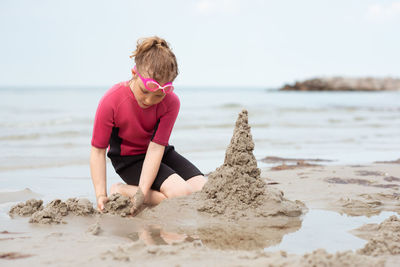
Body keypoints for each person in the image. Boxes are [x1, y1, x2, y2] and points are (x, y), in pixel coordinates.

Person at [90, 36, 206, 213]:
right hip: (128, 160)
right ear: (134, 73)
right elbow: (98, 151)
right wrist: (100, 195)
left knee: (204, 190)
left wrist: (142, 193)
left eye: (159, 95)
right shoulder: (112, 100)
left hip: (159, 152)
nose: (150, 100)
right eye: (145, 91)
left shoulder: (172, 102)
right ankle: (120, 189)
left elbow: (156, 148)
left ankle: (139, 190)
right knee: (181, 194)